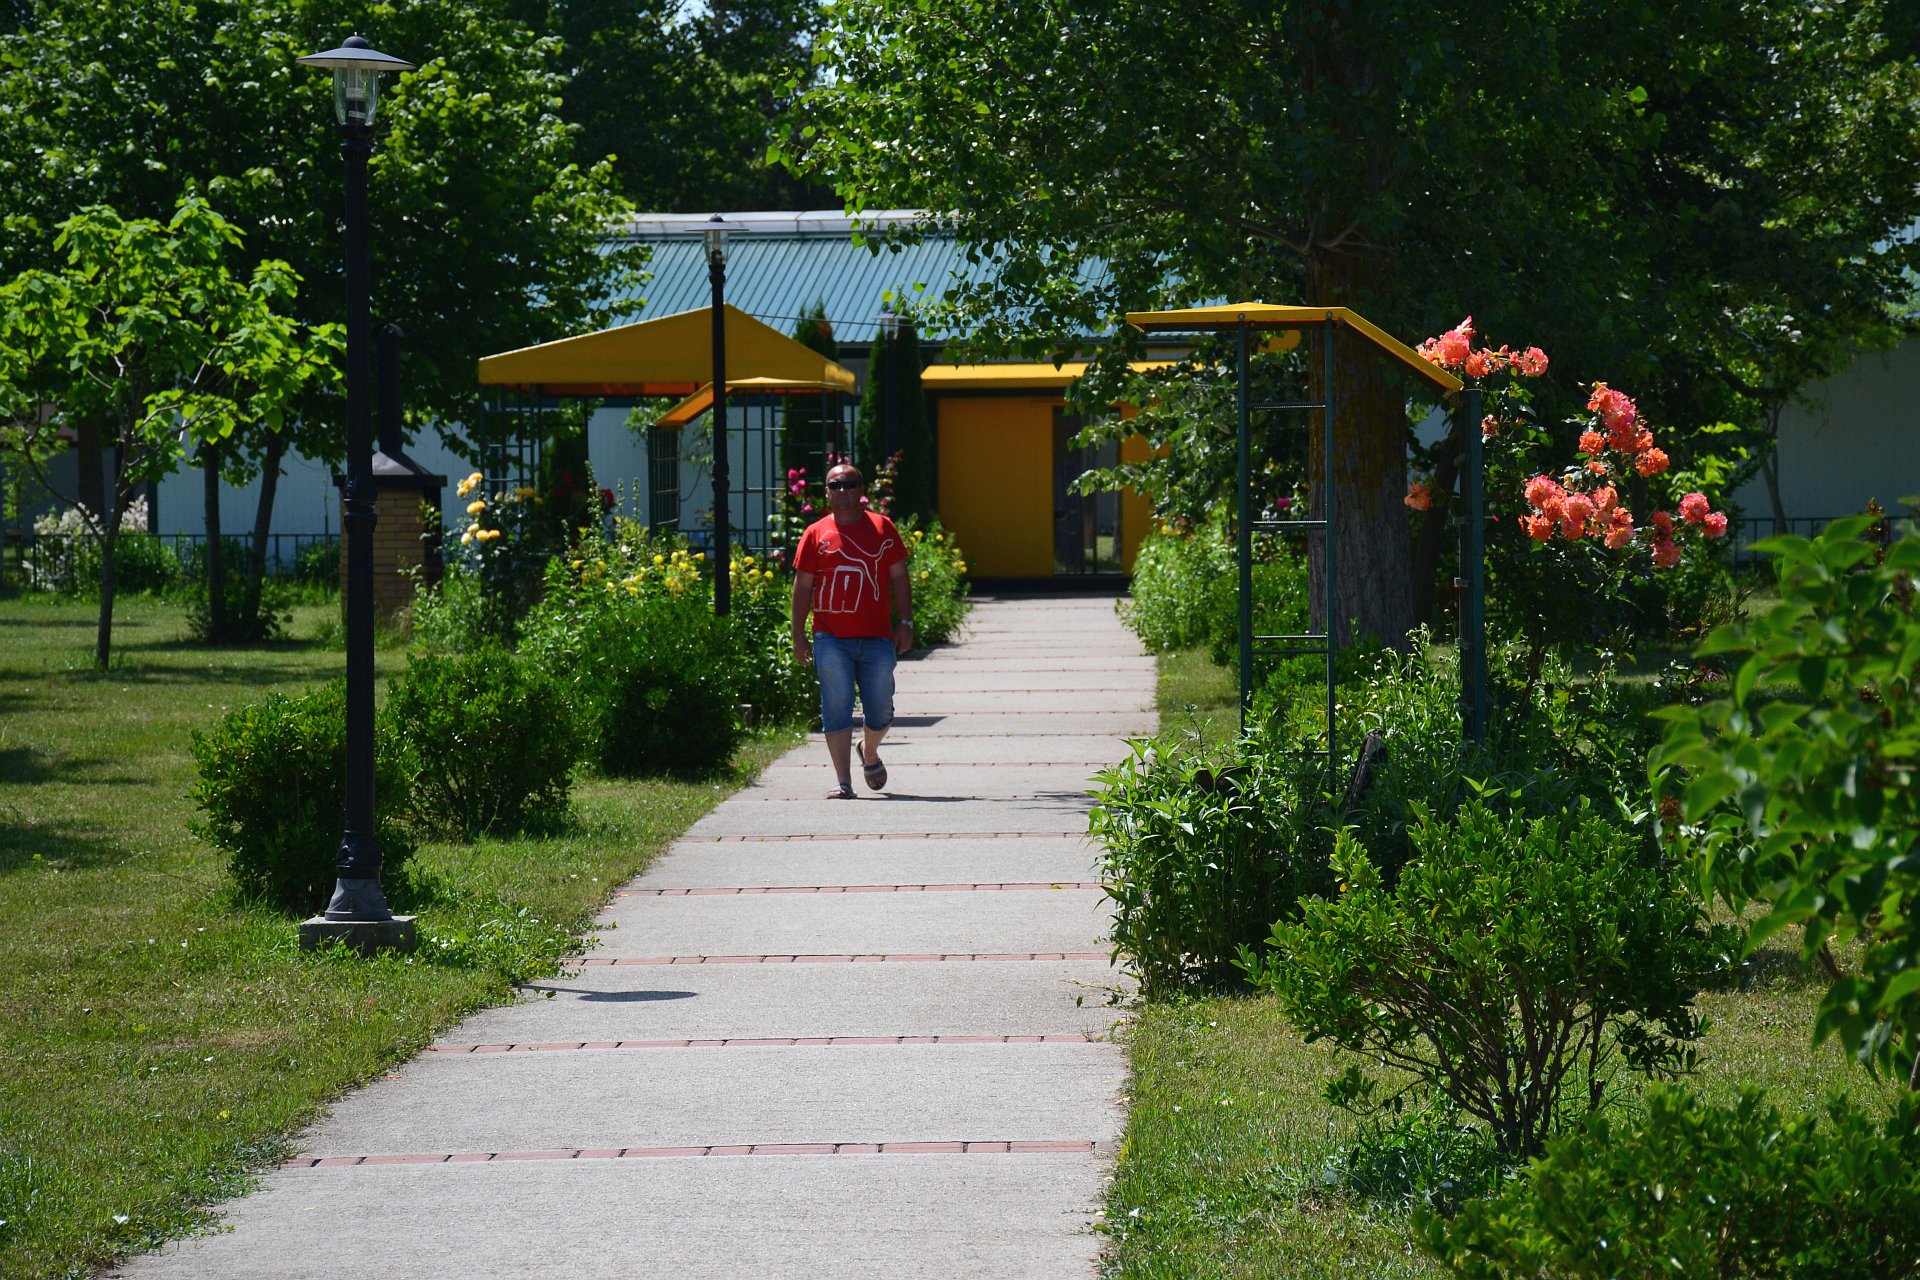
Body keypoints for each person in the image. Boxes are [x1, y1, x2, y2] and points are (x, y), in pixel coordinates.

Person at [790, 463, 914, 799]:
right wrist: (798, 634)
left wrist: (905, 621)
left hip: (877, 637)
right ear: (826, 492)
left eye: (849, 484)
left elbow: (899, 576)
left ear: (862, 490)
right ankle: (843, 782)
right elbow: (803, 587)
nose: (842, 490)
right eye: (835, 485)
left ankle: (868, 750)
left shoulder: (882, 527)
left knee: (882, 711)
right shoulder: (815, 534)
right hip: (830, 637)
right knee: (836, 706)